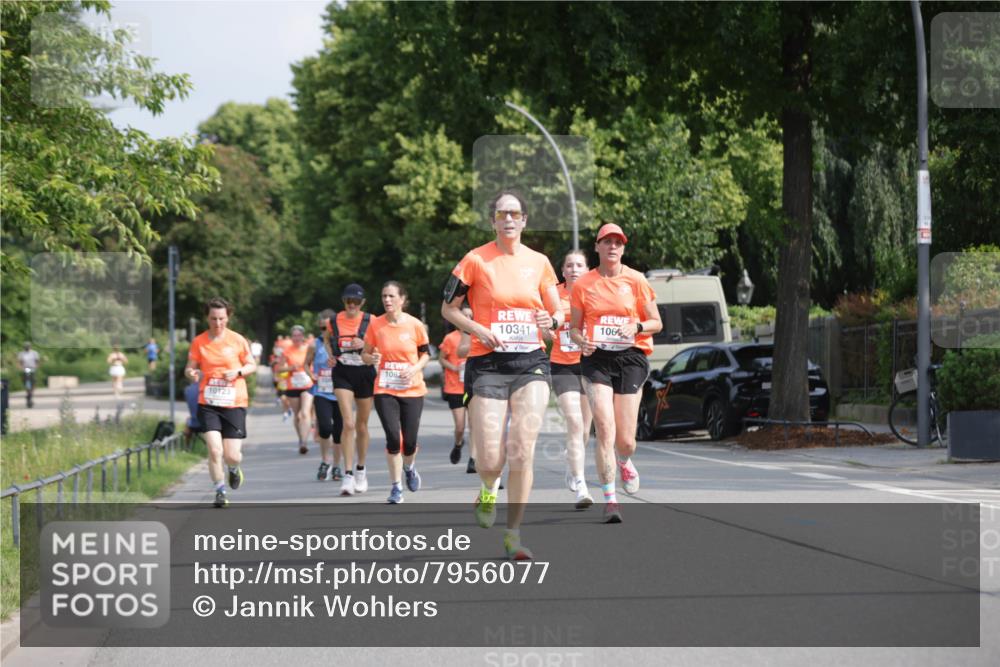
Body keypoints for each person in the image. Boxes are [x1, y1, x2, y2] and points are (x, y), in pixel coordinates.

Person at [442, 191, 561, 561]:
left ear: (524, 220)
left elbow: (557, 314)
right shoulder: (475, 260)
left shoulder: (539, 262)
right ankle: (488, 488)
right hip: (488, 364)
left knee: (522, 450)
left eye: (514, 213)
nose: (508, 219)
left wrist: (552, 320)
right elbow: (448, 309)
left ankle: (513, 534)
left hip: (530, 363)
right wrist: (477, 329)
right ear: (492, 221)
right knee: (491, 460)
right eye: (501, 214)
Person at [569, 223, 662, 524]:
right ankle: (610, 500)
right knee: (604, 429)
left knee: (625, 440)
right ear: (597, 246)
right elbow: (574, 329)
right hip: (596, 360)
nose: (612, 247)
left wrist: (636, 326)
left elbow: (656, 322)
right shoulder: (584, 284)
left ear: (623, 248)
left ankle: (624, 460)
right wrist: (581, 341)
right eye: (607, 241)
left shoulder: (636, 280)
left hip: (630, 358)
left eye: (618, 243)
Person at [362, 281, 431, 504]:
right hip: (385, 388)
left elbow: (426, 354)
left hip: (412, 389)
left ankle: (409, 468)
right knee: (393, 438)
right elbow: (364, 354)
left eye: (391, 296)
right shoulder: (376, 325)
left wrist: (415, 368)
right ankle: (396, 487)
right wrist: (371, 358)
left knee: (409, 442)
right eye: (384, 296)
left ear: (402, 299)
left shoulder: (415, 325)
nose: (387, 300)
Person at [185, 296, 256, 508]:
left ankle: (233, 469)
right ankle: (220, 491)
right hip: (208, 402)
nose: (218, 323)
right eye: (213, 318)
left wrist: (238, 372)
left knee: (232, 456)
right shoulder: (199, 342)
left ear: (228, 317)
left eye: (222, 318)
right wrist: (191, 373)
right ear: (207, 318)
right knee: (215, 450)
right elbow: (190, 367)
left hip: (234, 402)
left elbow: (251, 365)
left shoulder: (237, 340)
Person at [545, 251, 595, 509]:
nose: (574, 269)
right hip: (563, 366)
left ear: (587, 269)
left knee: (584, 430)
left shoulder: (595, 293)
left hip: (590, 366)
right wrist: (546, 329)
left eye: (579, 265)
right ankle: (581, 485)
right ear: (563, 271)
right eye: (569, 265)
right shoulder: (554, 294)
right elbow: (543, 326)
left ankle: (572, 464)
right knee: (574, 423)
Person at [328, 283, 377, 496]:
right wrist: (331, 355)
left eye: (356, 301)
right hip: (343, 372)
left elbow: (380, 344)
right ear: (343, 301)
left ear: (362, 302)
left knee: (361, 426)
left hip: (364, 372)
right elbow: (327, 339)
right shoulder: (333, 320)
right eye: (349, 301)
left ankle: (361, 470)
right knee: (347, 423)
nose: (352, 305)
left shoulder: (372, 320)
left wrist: (364, 344)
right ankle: (347, 475)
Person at [306, 309, 344, 481]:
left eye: (329, 328)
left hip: (341, 391)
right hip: (322, 391)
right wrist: (311, 375)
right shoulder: (314, 344)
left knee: (338, 431)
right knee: (325, 428)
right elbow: (306, 364)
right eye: (323, 328)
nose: (326, 331)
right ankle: (325, 460)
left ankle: (336, 465)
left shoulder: (342, 343)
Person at [438, 306, 473, 467]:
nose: (468, 319)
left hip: (472, 386)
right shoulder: (450, 338)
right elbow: (442, 359)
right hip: (455, 388)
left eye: (471, 316)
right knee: (460, 426)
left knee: (475, 425)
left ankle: (473, 458)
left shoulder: (478, 336)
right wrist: (453, 367)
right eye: (464, 316)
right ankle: (458, 444)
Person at [274, 325, 314, 455]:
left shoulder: (309, 348)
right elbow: (279, 369)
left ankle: (304, 442)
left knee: (305, 413)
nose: (296, 338)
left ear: (303, 336)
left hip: (308, 384)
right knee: (297, 416)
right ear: (292, 337)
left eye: (299, 335)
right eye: (294, 336)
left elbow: (316, 363)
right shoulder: (287, 351)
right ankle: (301, 438)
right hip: (293, 385)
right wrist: (290, 368)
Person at [16, 342, 40, 408]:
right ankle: (27, 391)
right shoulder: (21, 353)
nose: (27, 347)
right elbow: (19, 362)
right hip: (25, 369)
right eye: (25, 346)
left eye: (28, 346)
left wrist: (36, 366)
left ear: (30, 347)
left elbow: (37, 361)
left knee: (33, 380)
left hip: (32, 368)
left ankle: (31, 392)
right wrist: (20, 367)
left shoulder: (34, 353)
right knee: (25, 380)